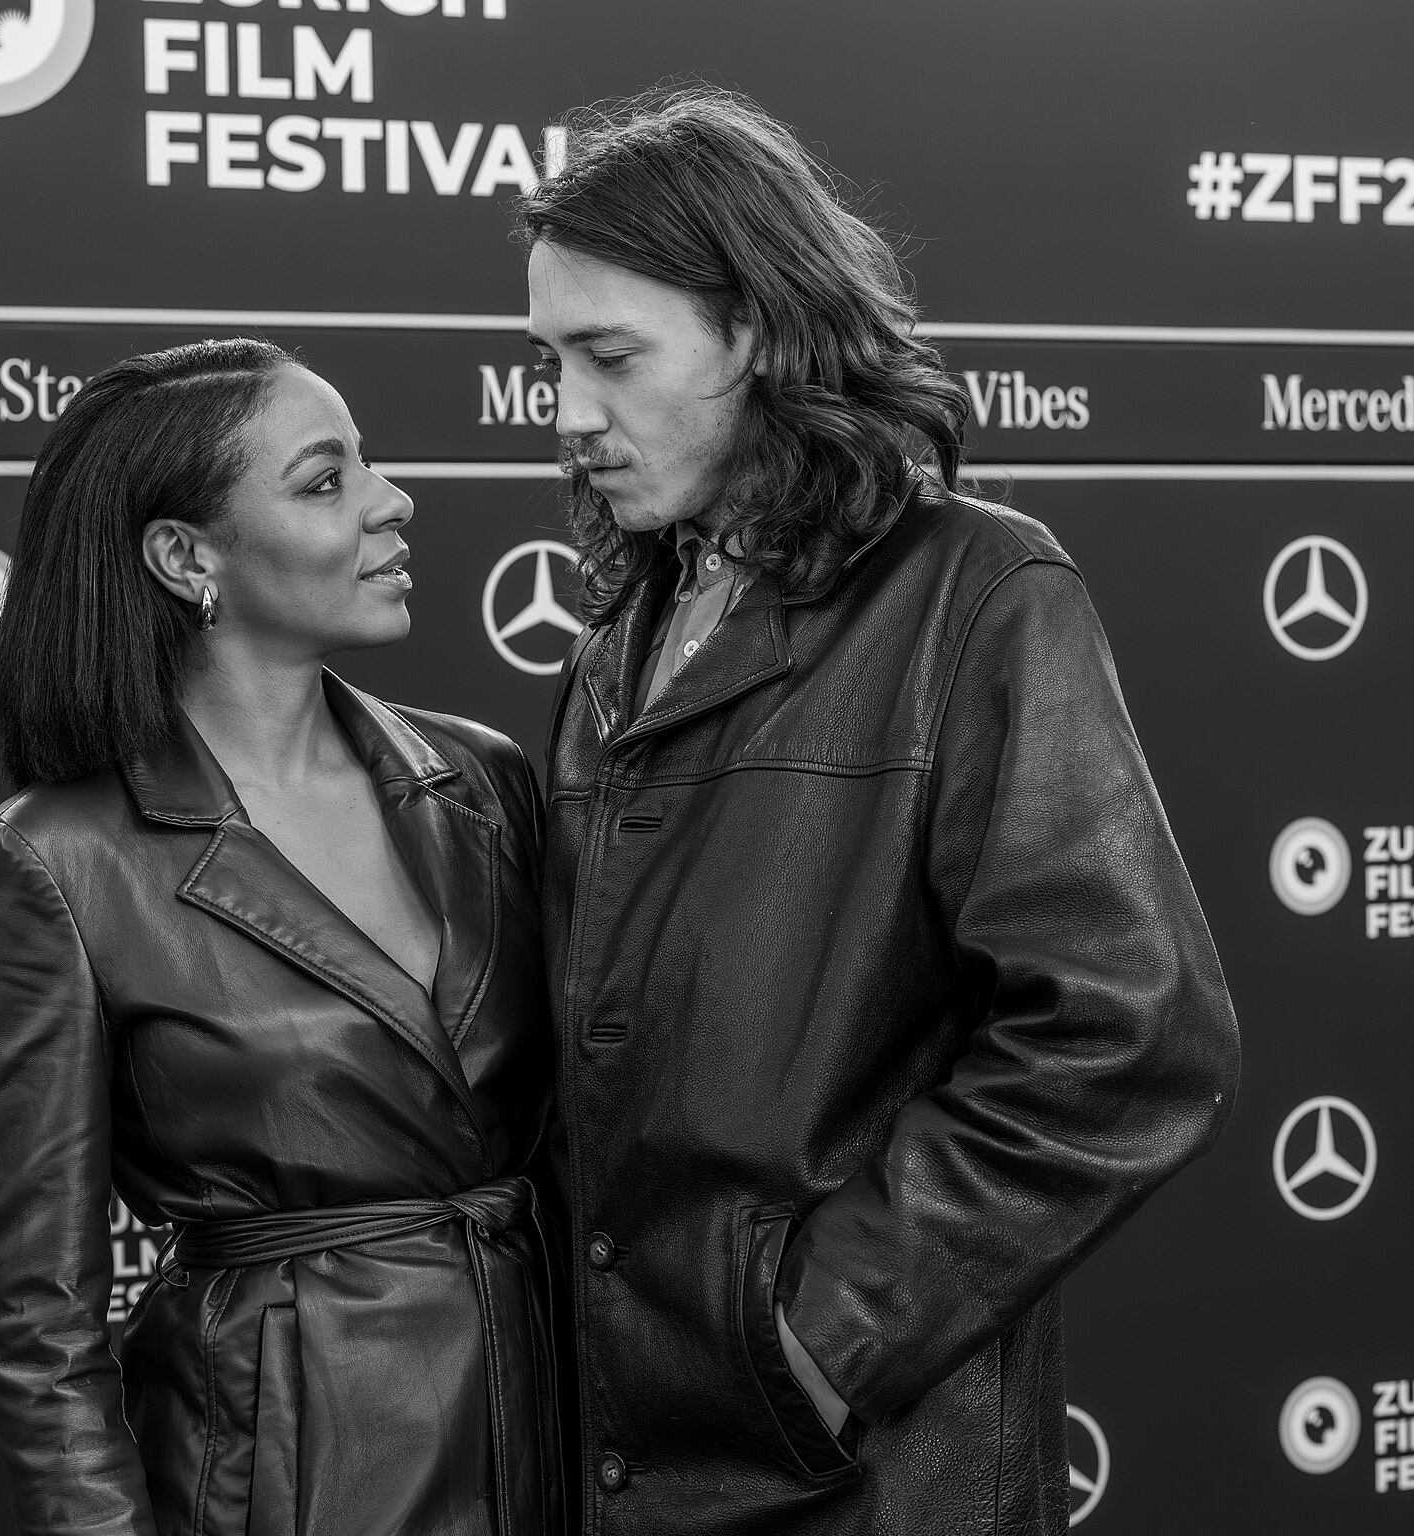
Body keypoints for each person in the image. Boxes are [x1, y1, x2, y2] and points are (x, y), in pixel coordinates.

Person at [520, 89, 1240, 1533]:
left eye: (609, 356)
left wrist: (821, 1338)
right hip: (624, 1458)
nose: (569, 416)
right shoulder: (619, 637)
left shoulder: (975, 592)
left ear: (761, 333)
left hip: (863, 1477)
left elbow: (1131, 1030)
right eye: (547, 361)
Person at [0, 340, 561, 1536]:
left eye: (368, 466)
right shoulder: (56, 859)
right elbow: (44, 1328)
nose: (395, 500)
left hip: (552, 1435)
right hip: (286, 1475)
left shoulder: (484, 778)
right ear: (187, 557)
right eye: (326, 480)